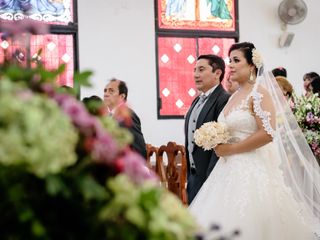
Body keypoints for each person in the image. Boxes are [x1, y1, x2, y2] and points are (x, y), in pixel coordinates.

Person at [189, 42, 320, 239]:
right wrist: (215, 137)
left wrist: (231, 149)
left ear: (251, 65)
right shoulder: (233, 96)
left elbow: (267, 133)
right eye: (229, 60)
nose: (230, 65)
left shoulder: (259, 93)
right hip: (225, 170)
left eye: (236, 60)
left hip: (250, 169)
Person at [184, 54, 230, 204]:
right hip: (193, 174)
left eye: (201, 69)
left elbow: (222, 140)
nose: (196, 74)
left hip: (210, 176)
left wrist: (211, 177)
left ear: (217, 73)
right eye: (194, 70)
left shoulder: (224, 99)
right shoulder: (197, 99)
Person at [104, 78, 147, 159]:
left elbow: (139, 150)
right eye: (105, 91)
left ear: (122, 96)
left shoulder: (127, 115)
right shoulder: (109, 116)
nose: (106, 94)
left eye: (111, 91)